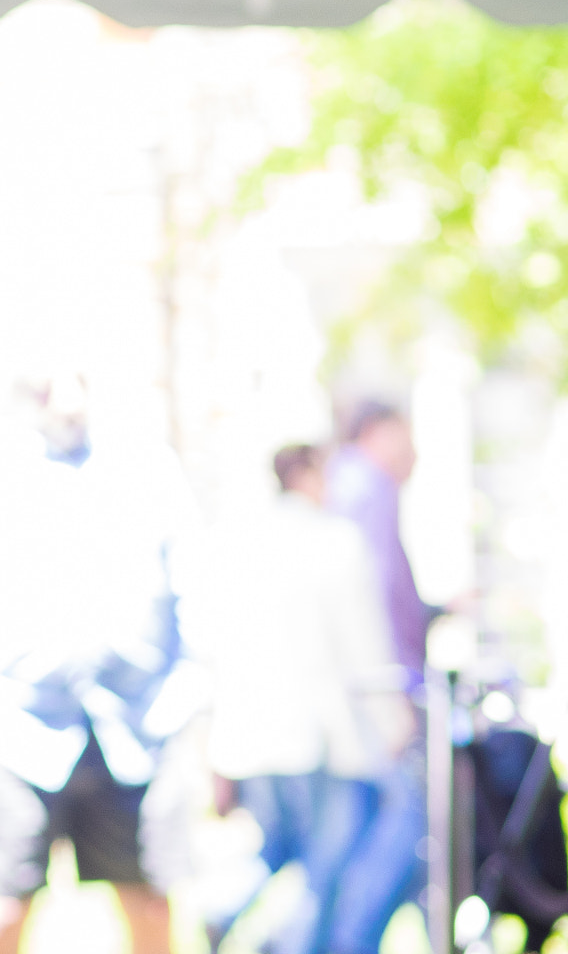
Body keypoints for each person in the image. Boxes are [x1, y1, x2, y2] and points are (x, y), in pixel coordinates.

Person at [0, 372, 201, 954]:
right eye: (47, 382)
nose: (66, 399)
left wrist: (185, 693)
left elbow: (194, 582)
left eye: (78, 380)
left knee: (151, 902)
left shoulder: (146, 468)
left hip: (134, 728)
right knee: (1, 909)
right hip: (9, 728)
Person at [198, 444, 411, 954]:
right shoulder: (335, 541)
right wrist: (393, 719)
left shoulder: (242, 544)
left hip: (255, 733)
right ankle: (281, 941)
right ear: (309, 475)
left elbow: (216, 642)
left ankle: (223, 907)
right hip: (320, 735)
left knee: (278, 848)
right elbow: (364, 642)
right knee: (325, 865)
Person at [322, 401, 433, 954]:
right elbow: (378, 598)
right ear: (379, 432)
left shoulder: (341, 486)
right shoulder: (369, 488)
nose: (414, 449)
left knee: (352, 832)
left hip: (344, 694)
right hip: (378, 691)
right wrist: (395, 697)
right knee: (409, 824)